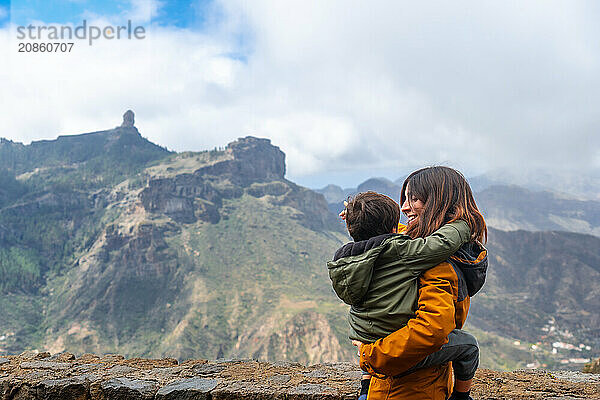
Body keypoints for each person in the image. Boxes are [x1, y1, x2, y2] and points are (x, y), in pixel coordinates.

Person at [328, 191, 484, 400]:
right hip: (393, 356)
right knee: (468, 345)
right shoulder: (405, 254)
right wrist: (465, 223)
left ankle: (366, 386)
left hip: (366, 335)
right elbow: (442, 243)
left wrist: (358, 218)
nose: (405, 208)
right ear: (393, 228)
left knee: (373, 316)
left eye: (414, 199)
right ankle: (462, 397)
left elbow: (387, 236)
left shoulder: (349, 258)